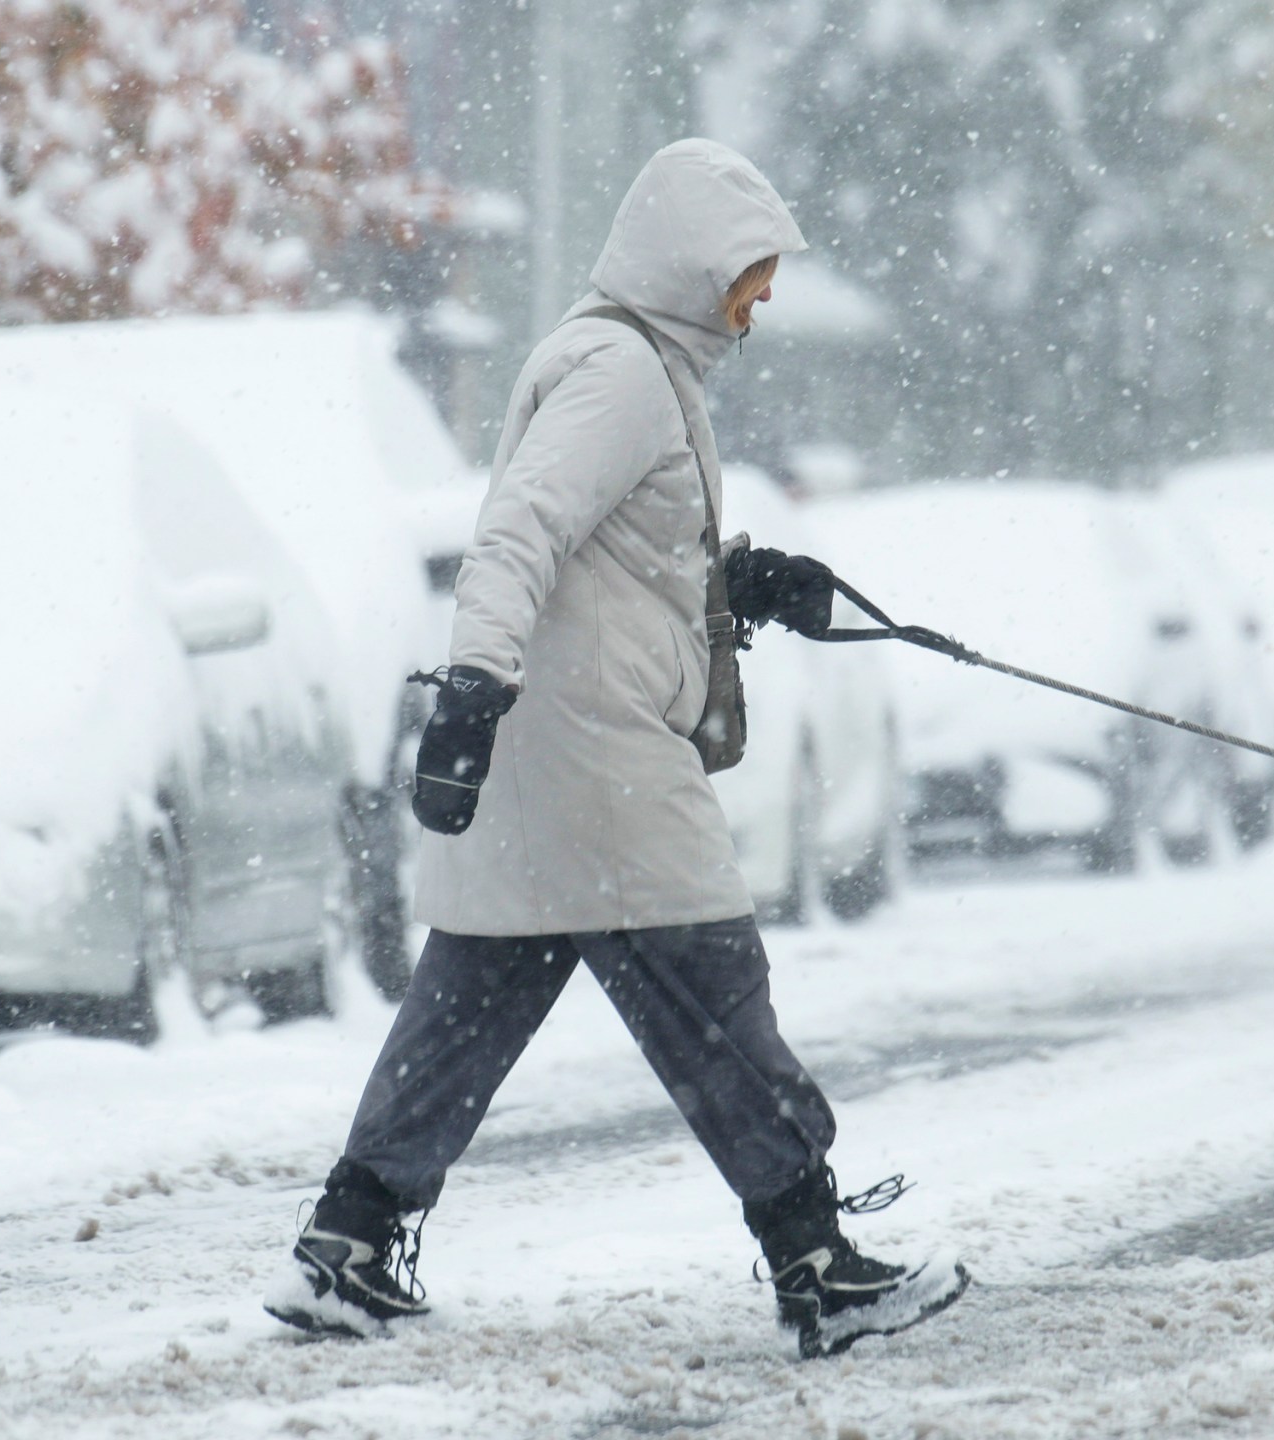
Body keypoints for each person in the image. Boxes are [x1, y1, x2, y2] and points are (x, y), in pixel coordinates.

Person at [262, 139, 967, 1360]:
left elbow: (609, 551)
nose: (762, 299)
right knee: (711, 989)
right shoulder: (620, 374)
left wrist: (736, 575)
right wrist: (472, 685)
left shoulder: (632, 366)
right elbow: (517, 536)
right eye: (749, 273)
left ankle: (349, 1244)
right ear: (689, 266)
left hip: (557, 758)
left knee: (470, 1007)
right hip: (596, 761)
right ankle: (815, 1260)